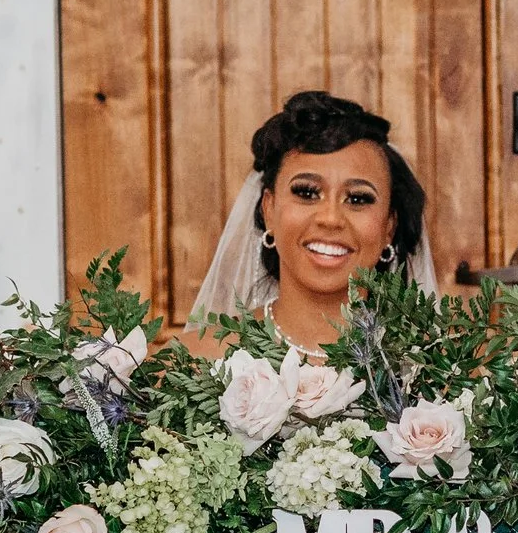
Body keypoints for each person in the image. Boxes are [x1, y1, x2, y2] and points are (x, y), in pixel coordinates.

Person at [187, 90, 437, 350]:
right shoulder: (186, 363)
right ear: (268, 209)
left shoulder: (437, 374)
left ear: (389, 226)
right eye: (306, 192)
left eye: (358, 199)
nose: (330, 219)